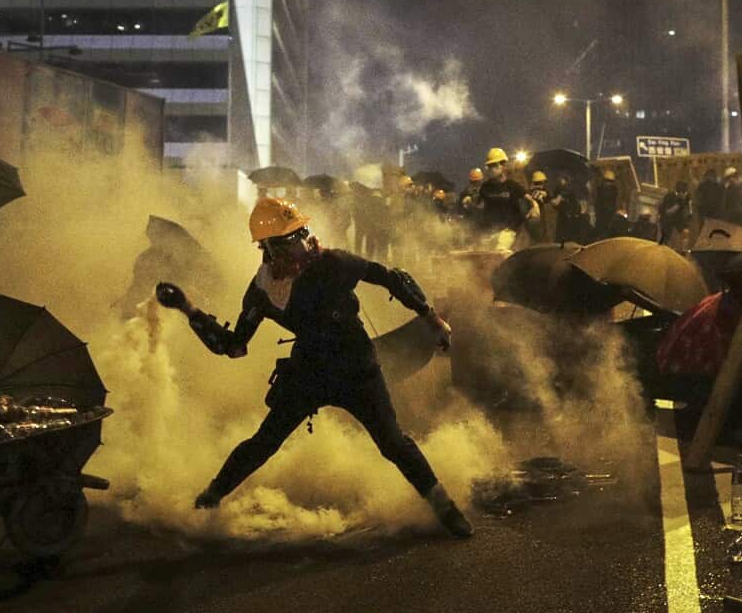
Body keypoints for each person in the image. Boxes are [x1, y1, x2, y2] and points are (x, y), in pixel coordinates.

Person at [156, 197, 473, 538]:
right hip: (309, 371)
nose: (304, 243)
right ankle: (209, 499)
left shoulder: (333, 262)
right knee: (264, 442)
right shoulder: (263, 289)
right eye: (292, 239)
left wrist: (433, 319)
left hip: (356, 367)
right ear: (271, 249)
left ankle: (444, 507)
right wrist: (188, 309)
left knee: (393, 443)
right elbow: (234, 348)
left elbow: (389, 277)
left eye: (303, 232)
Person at [476, 147, 536, 252]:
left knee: (499, 254)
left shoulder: (512, 186)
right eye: (489, 166)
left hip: (508, 231)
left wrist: (534, 207)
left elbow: (530, 200)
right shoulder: (485, 187)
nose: (491, 169)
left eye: (494, 165)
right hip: (490, 232)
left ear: (503, 166)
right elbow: (479, 206)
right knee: (482, 255)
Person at [551, 176, 586, 244]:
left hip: (569, 216)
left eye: (563, 180)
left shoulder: (568, 191)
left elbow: (575, 203)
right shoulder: (560, 190)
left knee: (568, 234)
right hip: (565, 215)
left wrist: (576, 212)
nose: (562, 182)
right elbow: (555, 204)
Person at [658, 180, 694, 248]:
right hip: (667, 220)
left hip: (679, 218)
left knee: (685, 232)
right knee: (667, 238)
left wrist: (689, 212)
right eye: (684, 193)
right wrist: (678, 205)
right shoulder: (670, 196)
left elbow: (690, 211)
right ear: (679, 192)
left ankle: (683, 250)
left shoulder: (686, 197)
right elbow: (668, 212)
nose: (685, 195)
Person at [593, 169, 621, 240]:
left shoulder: (600, 188)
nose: (608, 184)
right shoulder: (614, 190)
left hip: (604, 214)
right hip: (606, 213)